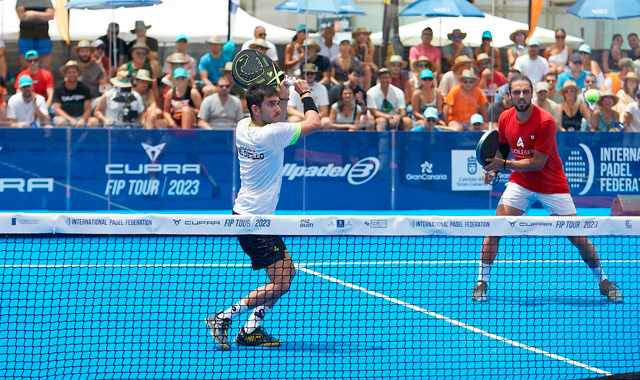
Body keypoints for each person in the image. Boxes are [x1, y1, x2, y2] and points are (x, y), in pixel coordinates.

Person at [471, 74, 623, 303]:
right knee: (495, 227)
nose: (521, 96)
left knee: (577, 236)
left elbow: (537, 163)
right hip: (520, 183)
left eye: (525, 91)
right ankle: (481, 282)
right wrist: (493, 169)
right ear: (509, 95)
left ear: (531, 94)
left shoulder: (546, 121)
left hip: (552, 185)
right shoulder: (504, 118)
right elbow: (501, 149)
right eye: (516, 92)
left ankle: (603, 280)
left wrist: (502, 165)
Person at [205, 77, 321, 350]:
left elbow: (275, 112)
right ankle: (223, 318)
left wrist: (281, 93)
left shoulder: (243, 125)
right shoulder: (271, 134)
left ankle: (251, 329)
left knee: (287, 275)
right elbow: (314, 122)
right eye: (271, 105)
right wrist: (304, 93)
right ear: (256, 109)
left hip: (253, 217)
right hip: (253, 223)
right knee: (281, 282)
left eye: (276, 104)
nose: (278, 108)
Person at [52, 60, 99, 127]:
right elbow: (57, 109)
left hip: (80, 117)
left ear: (78, 73)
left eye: (74, 72)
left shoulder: (84, 88)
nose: (72, 74)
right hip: (64, 118)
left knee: (93, 121)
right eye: (69, 72)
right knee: (61, 122)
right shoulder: (58, 89)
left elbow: (88, 109)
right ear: (65, 74)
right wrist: (70, 119)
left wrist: (83, 119)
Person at [15, 0, 54, 72]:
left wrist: (33, 14)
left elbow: (51, 15)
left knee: (46, 66)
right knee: (24, 65)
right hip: (26, 37)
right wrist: (43, 15)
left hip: (43, 37)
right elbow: (22, 16)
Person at [74, 40, 108, 109]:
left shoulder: (97, 67)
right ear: (78, 53)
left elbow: (104, 86)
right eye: (82, 51)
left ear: (91, 53)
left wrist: (104, 98)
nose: (85, 54)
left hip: (94, 99)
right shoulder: (73, 67)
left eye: (87, 51)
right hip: (77, 100)